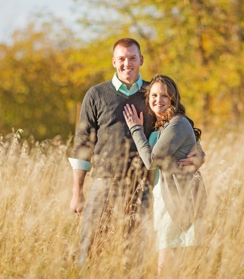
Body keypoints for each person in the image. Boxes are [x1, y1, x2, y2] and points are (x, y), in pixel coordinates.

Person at [69, 38, 205, 267]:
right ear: (114, 62)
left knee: (134, 250)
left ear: (141, 60)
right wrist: (77, 192)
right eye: (121, 58)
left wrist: (199, 151)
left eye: (132, 58)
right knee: (89, 245)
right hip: (104, 181)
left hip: (142, 185)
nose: (127, 64)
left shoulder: (154, 92)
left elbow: (178, 125)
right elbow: (82, 144)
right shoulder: (96, 94)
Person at [122, 75, 207, 276]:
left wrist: (134, 127)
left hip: (177, 201)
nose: (158, 100)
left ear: (173, 100)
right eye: (154, 95)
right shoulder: (163, 124)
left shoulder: (177, 123)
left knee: (166, 266)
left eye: (164, 96)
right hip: (163, 197)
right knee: (172, 265)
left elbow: (151, 162)